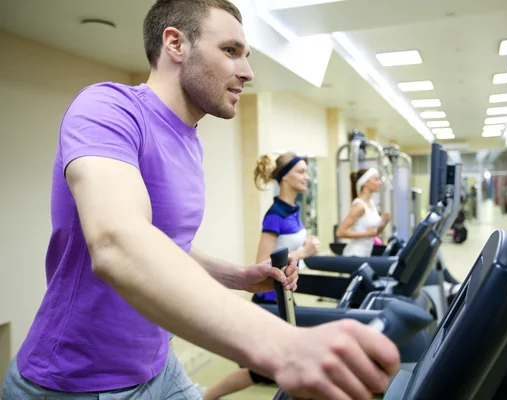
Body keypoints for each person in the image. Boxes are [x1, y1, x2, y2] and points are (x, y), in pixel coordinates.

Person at [1, 1, 400, 399]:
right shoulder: (108, 109)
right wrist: (283, 345)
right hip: (76, 381)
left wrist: (235, 276)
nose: (247, 72)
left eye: (247, 56)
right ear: (175, 43)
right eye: (230, 51)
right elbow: (117, 242)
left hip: (157, 364)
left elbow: (165, 245)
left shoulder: (190, 142)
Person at [204, 152, 320, 400]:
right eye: (301, 171)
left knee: (284, 365)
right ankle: (205, 396)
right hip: (270, 298)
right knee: (265, 370)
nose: (306, 177)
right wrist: (304, 251)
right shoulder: (275, 214)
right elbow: (262, 261)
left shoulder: (292, 209)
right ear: (285, 177)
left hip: (286, 292)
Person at [336, 168, 391, 257]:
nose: (380, 182)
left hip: (366, 253)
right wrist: (367, 234)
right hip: (354, 254)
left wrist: (383, 224)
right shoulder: (359, 206)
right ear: (365, 182)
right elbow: (340, 232)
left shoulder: (371, 204)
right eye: (376, 179)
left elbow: (373, 233)